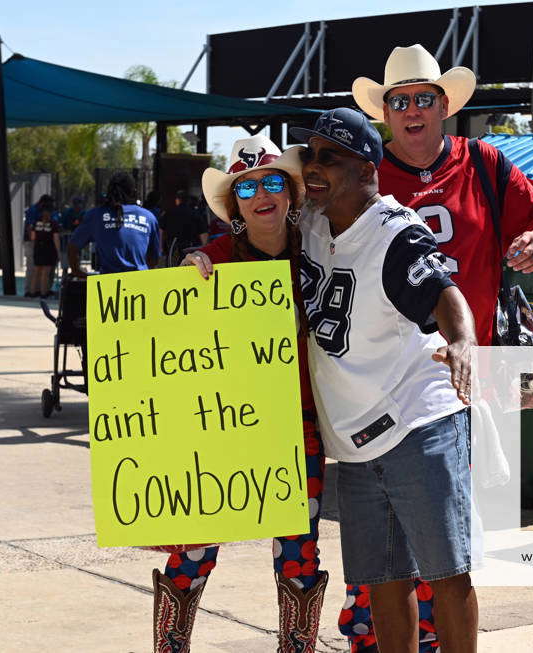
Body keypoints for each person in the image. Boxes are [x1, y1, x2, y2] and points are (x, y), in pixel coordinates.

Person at [343, 44, 533, 651]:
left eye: (424, 98)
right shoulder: (364, 177)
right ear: (384, 114)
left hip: (463, 384)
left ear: (445, 105)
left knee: (447, 546)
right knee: (391, 555)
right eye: (400, 102)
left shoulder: (484, 162)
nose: (413, 110)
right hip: (381, 388)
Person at [291, 107, 479, 652]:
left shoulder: (394, 232)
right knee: (383, 580)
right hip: (352, 439)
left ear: (367, 167)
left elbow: (443, 292)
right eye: (310, 156)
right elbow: (245, 221)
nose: (314, 168)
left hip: (415, 424)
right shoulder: (311, 223)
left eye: (330, 157)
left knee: (447, 574)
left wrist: (463, 339)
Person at [155, 136, 328, 652]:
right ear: (234, 205)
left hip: (298, 426)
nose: (261, 194)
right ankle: (170, 647)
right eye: (246, 187)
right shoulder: (210, 261)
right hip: (223, 428)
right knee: (193, 548)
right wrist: (184, 283)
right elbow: (169, 341)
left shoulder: (322, 253)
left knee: (299, 552)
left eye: (272, 181)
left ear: (292, 193)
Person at [67, 172, 160, 276]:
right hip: (139, 284)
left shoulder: (96, 215)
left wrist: (77, 272)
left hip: (107, 285)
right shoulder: (149, 217)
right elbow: (154, 259)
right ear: (134, 192)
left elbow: (72, 246)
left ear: (109, 192)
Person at [160, 189, 207, 265]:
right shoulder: (195, 214)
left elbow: (161, 231)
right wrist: (204, 248)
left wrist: (161, 248)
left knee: (172, 270)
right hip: (191, 249)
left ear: (177, 200)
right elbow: (203, 234)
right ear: (187, 200)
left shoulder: (168, 213)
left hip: (173, 249)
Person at [30, 208, 60, 298]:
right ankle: (44, 292)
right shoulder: (53, 224)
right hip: (48, 249)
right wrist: (58, 251)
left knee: (36, 271)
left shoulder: (36, 223)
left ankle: (33, 292)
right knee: (46, 272)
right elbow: (56, 238)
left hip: (38, 248)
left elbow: (32, 237)